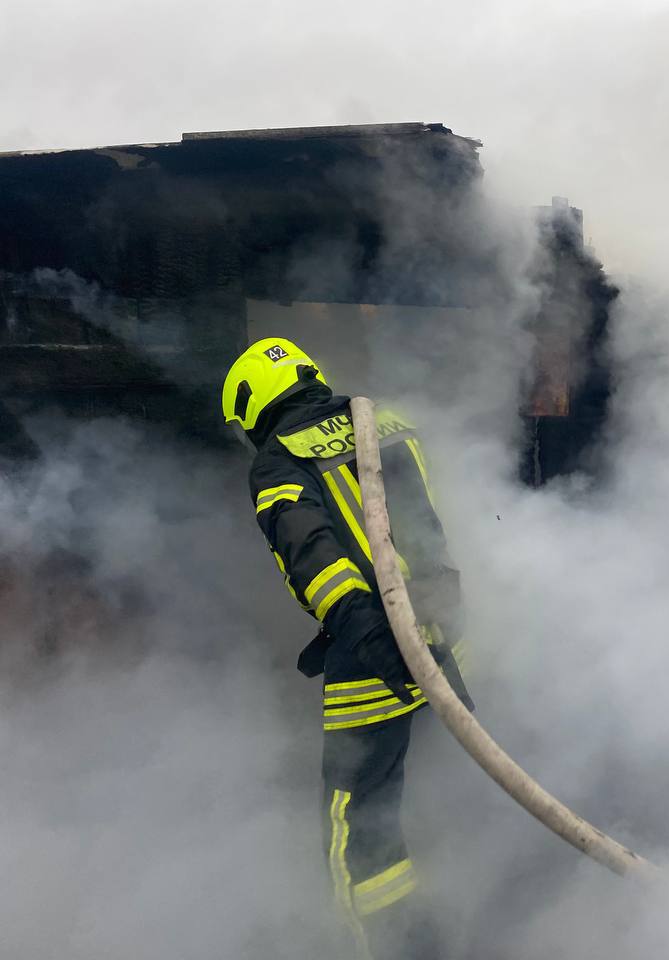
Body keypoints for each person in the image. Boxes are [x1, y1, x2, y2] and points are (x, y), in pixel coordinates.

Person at [221, 336, 472, 959]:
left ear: (251, 405)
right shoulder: (385, 421)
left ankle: (391, 946)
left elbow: (318, 564)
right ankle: (477, 900)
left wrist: (375, 641)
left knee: (354, 820)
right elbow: (424, 528)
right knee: (453, 777)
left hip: (373, 658)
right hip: (441, 639)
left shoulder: (278, 462)